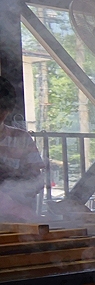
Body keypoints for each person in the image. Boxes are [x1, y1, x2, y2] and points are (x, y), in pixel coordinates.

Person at [0, 77, 45, 221]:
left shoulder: (21, 138)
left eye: (2, 109)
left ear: (8, 110)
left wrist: (13, 178)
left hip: (15, 218)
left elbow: (36, 179)